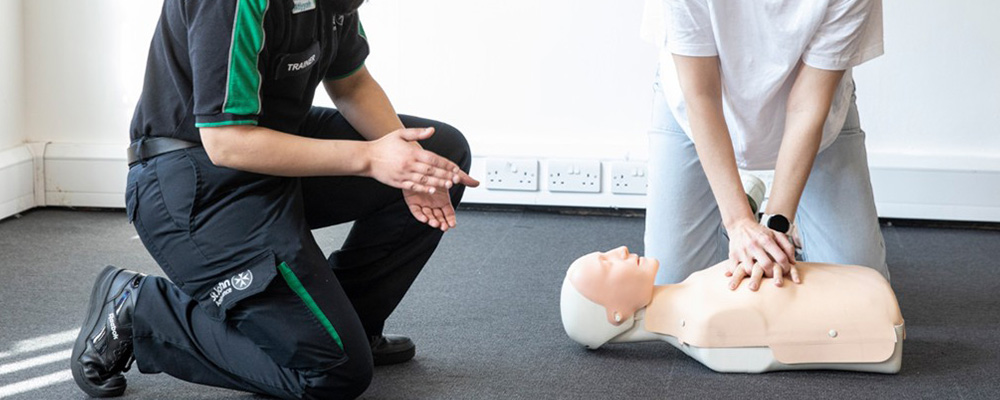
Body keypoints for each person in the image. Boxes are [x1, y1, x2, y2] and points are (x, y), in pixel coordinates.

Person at [71, 0, 479, 399]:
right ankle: (140, 310)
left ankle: (348, 321)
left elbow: (352, 84)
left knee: (439, 155)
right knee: (334, 373)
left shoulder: (336, 4)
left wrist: (407, 163)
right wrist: (372, 158)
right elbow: (226, 143)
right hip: (193, 183)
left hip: (274, 153)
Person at [641, 0, 889, 289]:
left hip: (815, 120)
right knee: (670, 290)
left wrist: (776, 226)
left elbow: (807, 107)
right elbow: (702, 95)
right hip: (698, 106)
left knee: (861, 299)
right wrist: (738, 223)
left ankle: (767, 205)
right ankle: (742, 202)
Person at [560, 247, 905, 373]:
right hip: (869, 308)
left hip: (867, 294)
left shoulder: (695, 292)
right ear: (616, 314)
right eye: (607, 264)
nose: (620, 249)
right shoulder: (702, 322)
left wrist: (776, 223)